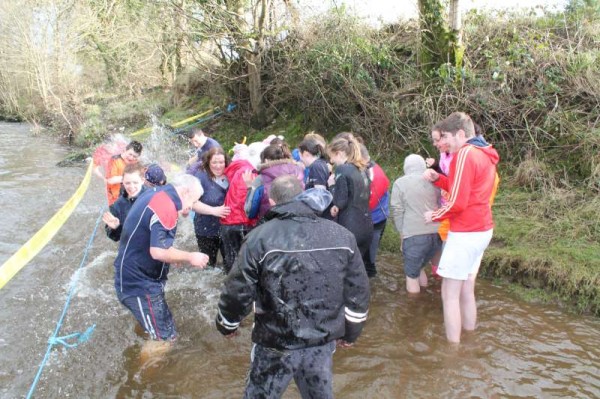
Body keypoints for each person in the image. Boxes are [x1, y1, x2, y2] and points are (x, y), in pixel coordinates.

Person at [216, 175, 370, 399]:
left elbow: (237, 290)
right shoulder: (342, 236)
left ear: (271, 200)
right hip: (322, 339)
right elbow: (358, 292)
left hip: (275, 340)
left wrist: (227, 325)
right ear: (303, 196)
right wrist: (351, 333)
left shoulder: (258, 238)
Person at [423, 112, 499, 343]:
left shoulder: (464, 153)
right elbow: (464, 189)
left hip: (466, 231)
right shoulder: (485, 152)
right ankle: (470, 338)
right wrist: (439, 179)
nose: (444, 143)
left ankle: (452, 354)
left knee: (449, 294)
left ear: (460, 134)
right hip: (482, 229)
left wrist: (434, 215)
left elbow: (458, 202)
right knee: (467, 289)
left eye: (446, 137)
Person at [113, 173, 209, 356]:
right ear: (186, 191)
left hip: (133, 274)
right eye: (193, 201)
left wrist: (174, 257)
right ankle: (141, 382)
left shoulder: (155, 193)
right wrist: (189, 256)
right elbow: (158, 251)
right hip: (139, 284)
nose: (191, 207)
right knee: (164, 339)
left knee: (164, 330)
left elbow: (155, 240)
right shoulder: (166, 207)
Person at [391, 154, 442, 293]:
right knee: (420, 268)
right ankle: (424, 298)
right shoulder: (434, 180)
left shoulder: (400, 183)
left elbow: (397, 210)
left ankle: (414, 308)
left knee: (411, 276)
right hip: (437, 234)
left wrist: (402, 234)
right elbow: (441, 202)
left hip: (414, 235)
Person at [327, 134, 374, 274]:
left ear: (339, 153)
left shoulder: (343, 170)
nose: (331, 161)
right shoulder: (362, 168)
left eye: (332, 157)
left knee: (345, 271)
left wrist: (331, 186)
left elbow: (340, 200)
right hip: (366, 226)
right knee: (359, 269)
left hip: (350, 227)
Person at [219, 142, 264, 273]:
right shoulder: (248, 171)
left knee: (231, 260)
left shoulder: (236, 169)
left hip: (228, 223)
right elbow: (244, 202)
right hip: (242, 223)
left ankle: (229, 289)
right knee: (246, 262)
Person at [244, 143, 305, 220]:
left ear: (266, 160)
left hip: (271, 222)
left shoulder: (260, 179)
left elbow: (249, 212)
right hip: (298, 218)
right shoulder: (298, 171)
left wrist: (249, 187)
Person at [192, 147, 231, 268]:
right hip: (206, 229)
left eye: (221, 162)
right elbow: (192, 203)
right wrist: (214, 211)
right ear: (208, 162)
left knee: (230, 264)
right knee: (209, 267)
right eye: (214, 162)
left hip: (228, 229)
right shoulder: (201, 177)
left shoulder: (232, 174)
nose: (218, 166)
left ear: (226, 162)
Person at [360, 144, 390, 278]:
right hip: (373, 217)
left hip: (375, 220)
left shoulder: (373, 173)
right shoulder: (368, 169)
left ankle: (371, 288)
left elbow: (369, 201)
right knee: (365, 257)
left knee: (369, 261)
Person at [103, 164, 147, 242]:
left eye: (135, 182)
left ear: (142, 181)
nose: (131, 187)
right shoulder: (117, 205)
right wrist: (115, 228)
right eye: (127, 183)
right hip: (131, 246)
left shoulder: (153, 197)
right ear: (122, 182)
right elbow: (115, 238)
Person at [105, 140, 143, 205]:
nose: (131, 158)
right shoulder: (114, 160)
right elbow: (110, 180)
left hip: (131, 197)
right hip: (115, 199)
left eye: (134, 156)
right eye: (130, 154)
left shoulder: (136, 163)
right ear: (125, 150)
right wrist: (129, 178)